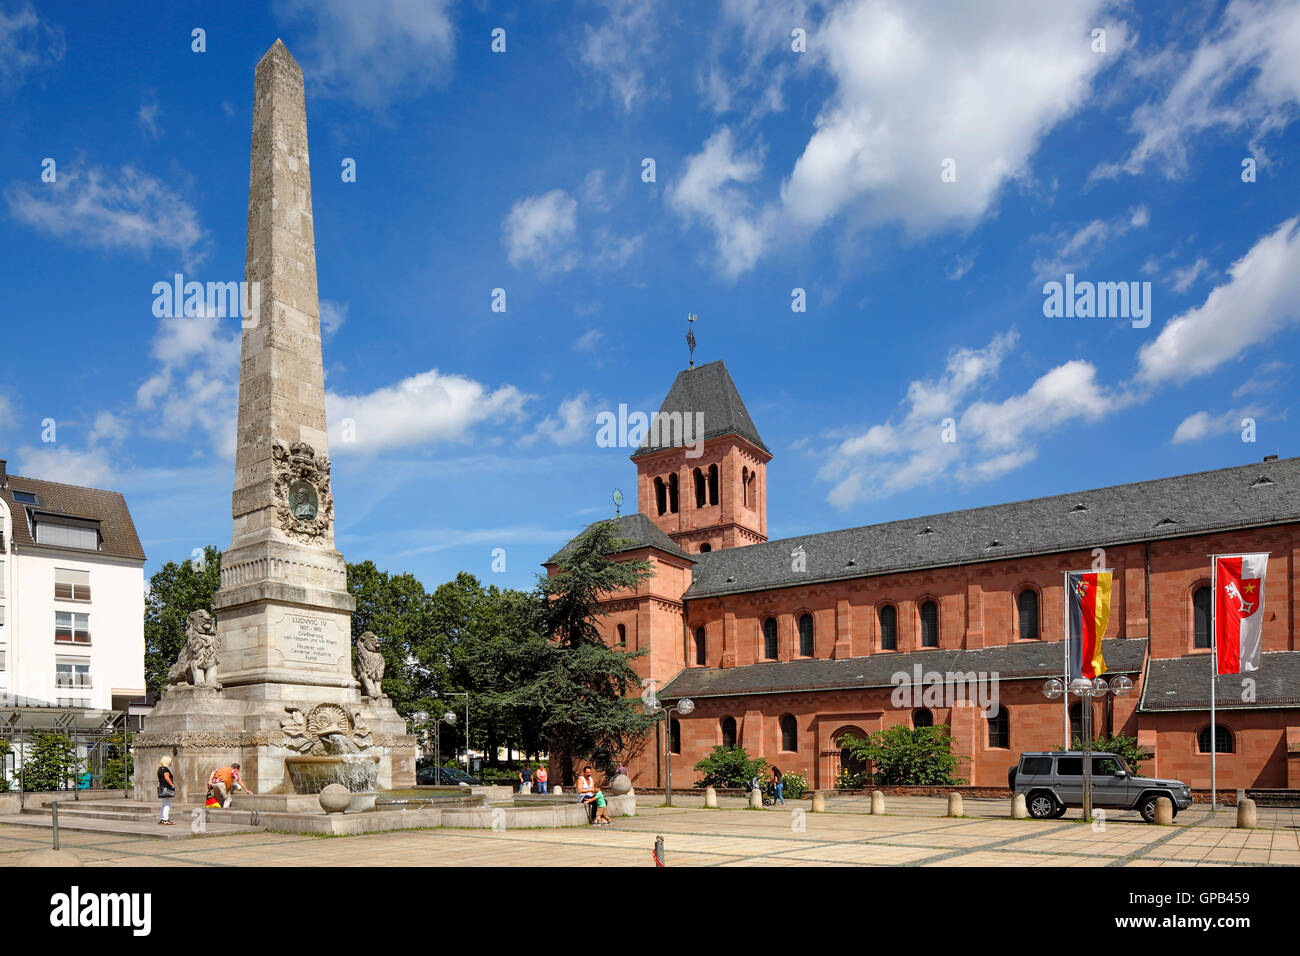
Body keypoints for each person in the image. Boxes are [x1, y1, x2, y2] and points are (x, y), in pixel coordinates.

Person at [157, 756, 176, 826]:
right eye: (170, 761)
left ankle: (163, 819)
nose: (171, 763)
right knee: (167, 804)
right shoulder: (165, 769)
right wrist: (172, 785)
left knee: (164, 804)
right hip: (167, 788)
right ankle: (165, 819)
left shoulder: (160, 769)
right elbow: (167, 778)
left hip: (162, 787)